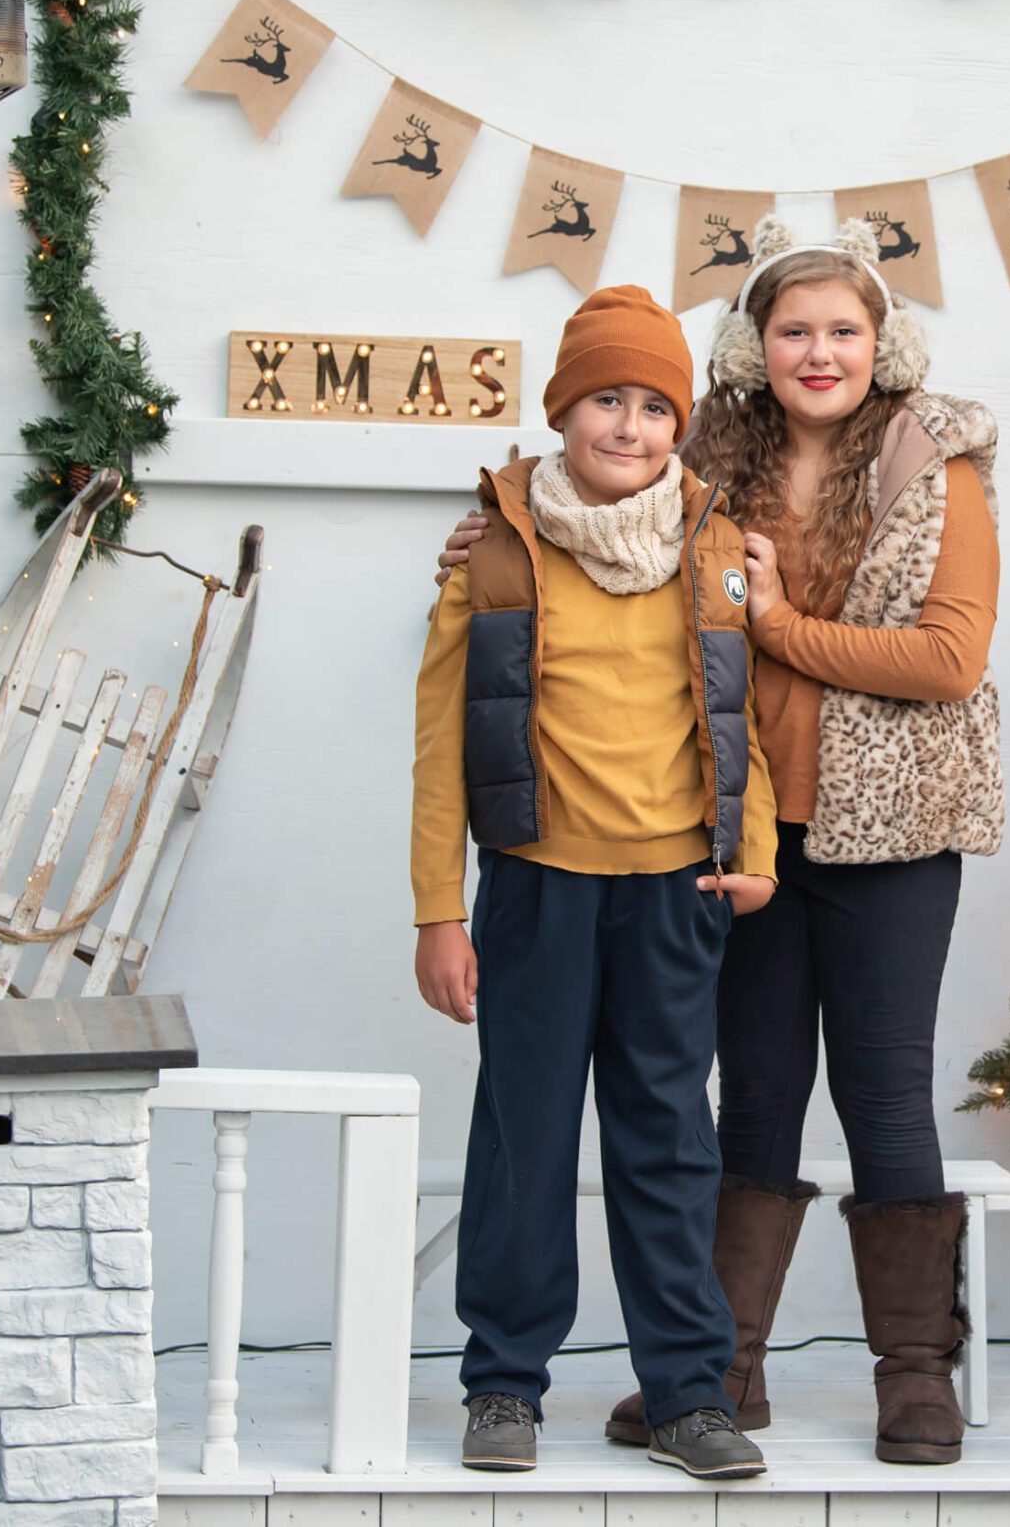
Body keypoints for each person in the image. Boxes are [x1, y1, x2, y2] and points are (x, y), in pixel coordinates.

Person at [438, 217, 1002, 1464]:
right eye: (792, 328)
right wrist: (487, 536)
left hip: (883, 830)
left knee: (884, 1094)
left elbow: (947, 659)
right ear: (755, 346)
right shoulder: (710, 465)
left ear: (880, 342)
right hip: (735, 839)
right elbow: (594, 509)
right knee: (739, 1101)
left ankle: (915, 1375)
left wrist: (785, 621)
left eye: (843, 330)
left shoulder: (935, 468)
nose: (818, 351)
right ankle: (717, 1371)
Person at [410, 284, 780, 1480]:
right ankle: (504, 1382)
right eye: (604, 401)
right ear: (563, 411)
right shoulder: (501, 547)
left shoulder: (712, 544)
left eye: (651, 405)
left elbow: (738, 717)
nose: (628, 426)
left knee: (668, 1138)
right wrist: (437, 910)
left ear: (679, 423)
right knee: (525, 1134)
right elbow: (437, 737)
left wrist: (755, 850)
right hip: (536, 887)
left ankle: (685, 1389)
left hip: (675, 891)